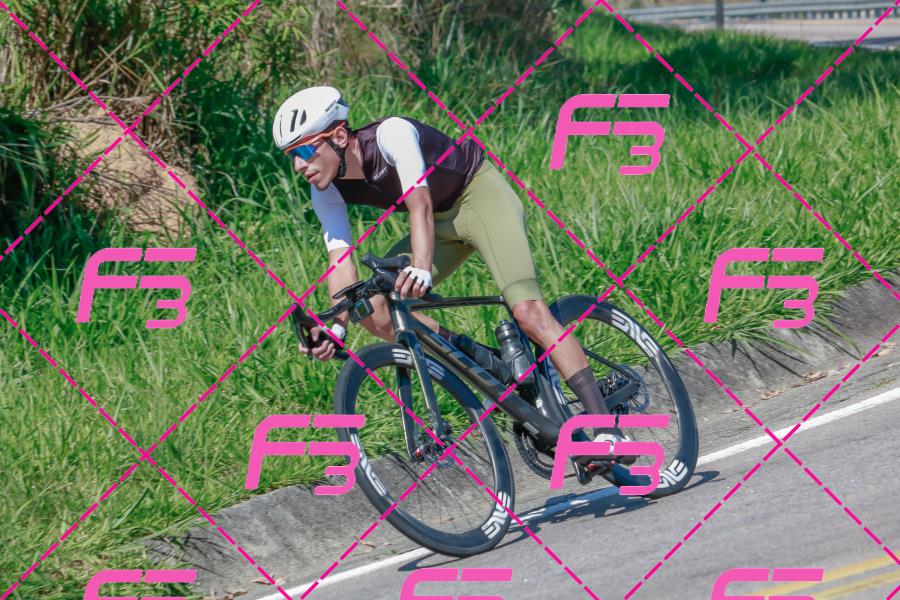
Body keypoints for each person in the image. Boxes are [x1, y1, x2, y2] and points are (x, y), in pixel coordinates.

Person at [273, 85, 631, 460]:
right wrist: (337, 328)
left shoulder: (391, 134)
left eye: (304, 151)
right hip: (441, 227)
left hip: (479, 196)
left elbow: (420, 206)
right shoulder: (326, 191)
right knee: (374, 309)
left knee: (528, 313)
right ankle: (493, 367)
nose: (298, 166)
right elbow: (340, 260)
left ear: (338, 136)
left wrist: (421, 266)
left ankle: (608, 432)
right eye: (291, 156)